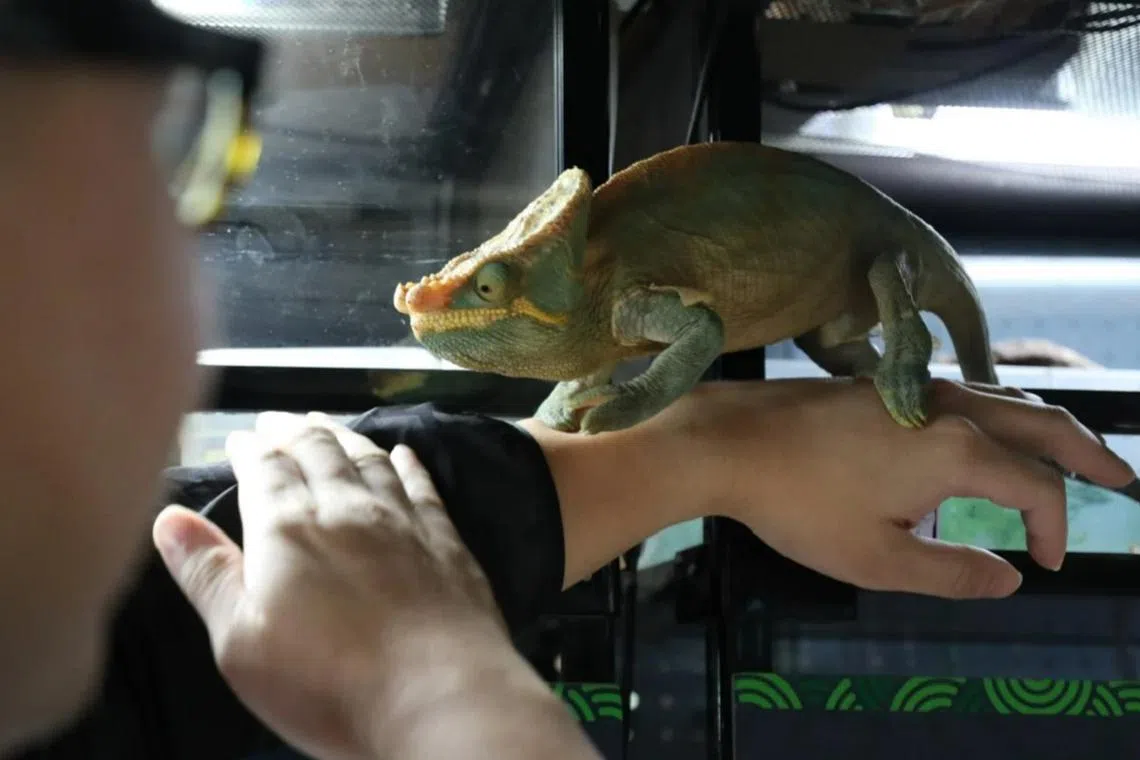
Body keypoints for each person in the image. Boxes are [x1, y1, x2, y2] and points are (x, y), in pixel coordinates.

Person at [1, 3, 1135, 759]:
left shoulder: (76, 635)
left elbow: (208, 591)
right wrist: (428, 678)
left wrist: (714, 445)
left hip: (859, 263)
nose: (189, 326)